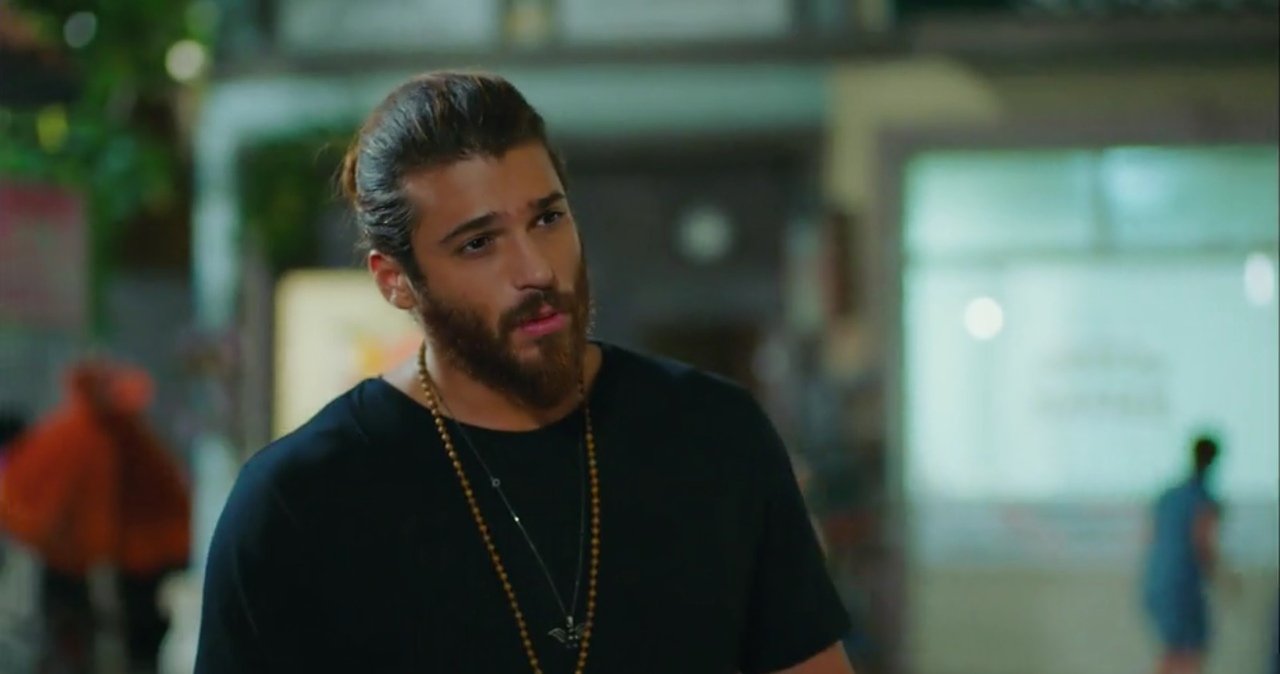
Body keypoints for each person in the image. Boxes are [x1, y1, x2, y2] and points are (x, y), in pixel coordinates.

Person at [195, 71, 854, 674]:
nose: (536, 269)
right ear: (395, 281)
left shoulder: (715, 437)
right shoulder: (296, 503)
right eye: (479, 243)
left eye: (548, 218)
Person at [1141, 434, 1224, 674]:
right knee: (1190, 653)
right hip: (1181, 586)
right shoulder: (1203, 498)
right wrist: (1226, 580)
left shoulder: (1168, 496)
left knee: (1174, 651)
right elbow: (1203, 543)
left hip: (1157, 583)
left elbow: (1150, 537)